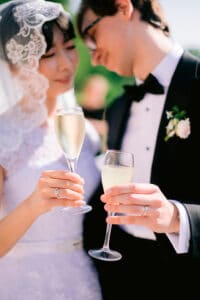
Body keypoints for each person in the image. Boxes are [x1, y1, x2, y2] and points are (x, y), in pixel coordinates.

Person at [76, 0, 200, 299]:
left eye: (91, 35)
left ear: (123, 8)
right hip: (120, 277)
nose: (92, 58)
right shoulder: (117, 108)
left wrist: (175, 217)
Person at [0, 1, 102, 299]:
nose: (67, 64)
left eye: (70, 47)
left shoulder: (85, 130)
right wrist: (34, 205)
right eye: (48, 54)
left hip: (82, 278)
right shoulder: (2, 134)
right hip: (21, 284)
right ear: (17, 65)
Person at [80, 74, 109, 153]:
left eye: (99, 93)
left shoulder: (107, 113)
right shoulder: (77, 110)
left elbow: (107, 128)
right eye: (93, 91)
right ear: (86, 90)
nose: (97, 95)